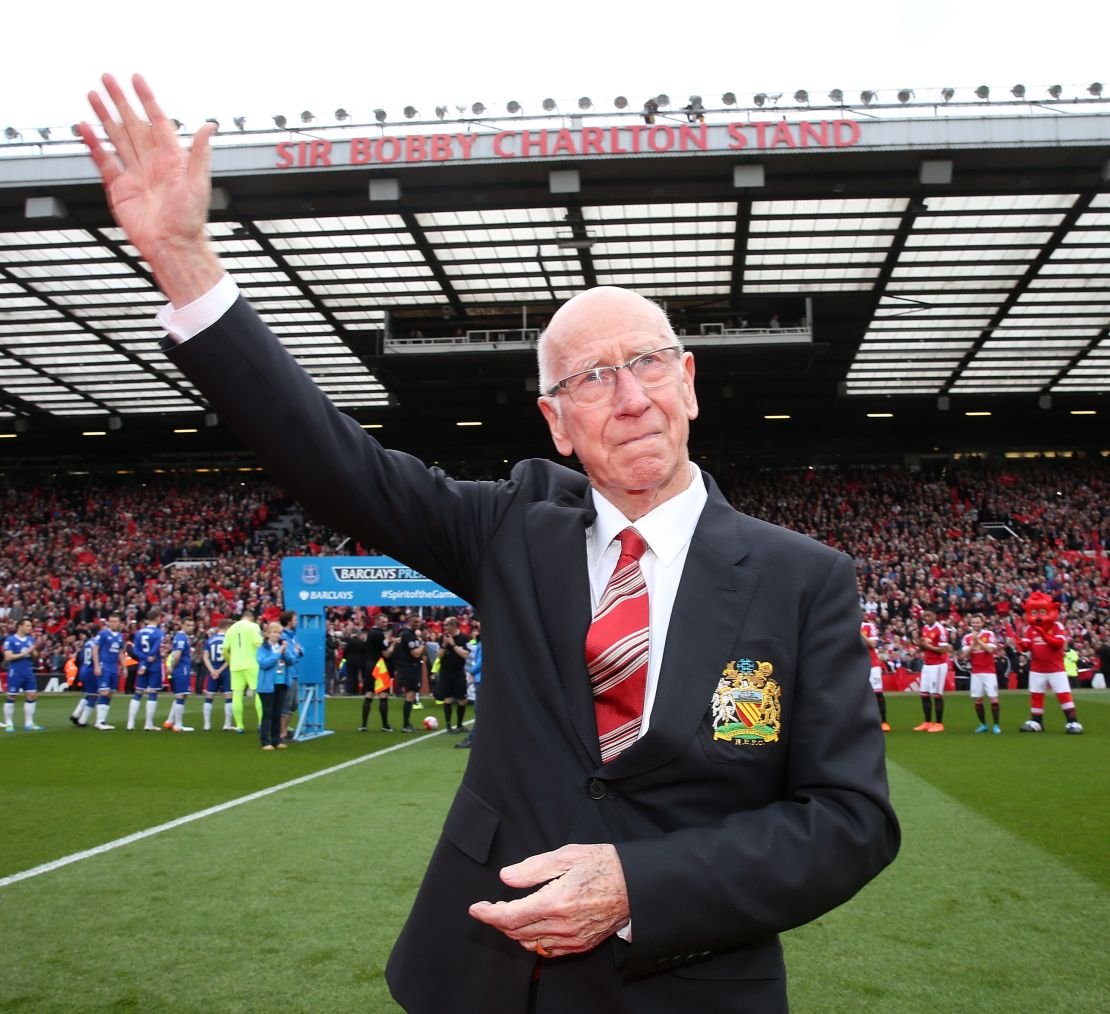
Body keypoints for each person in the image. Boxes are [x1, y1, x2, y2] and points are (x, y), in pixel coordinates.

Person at [81, 75, 899, 1012]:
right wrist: (186, 262)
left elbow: (848, 823)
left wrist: (643, 884)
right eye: (592, 379)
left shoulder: (805, 579)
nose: (629, 397)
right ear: (557, 423)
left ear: (689, 381)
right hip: (485, 981)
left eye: (646, 363)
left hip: (690, 984)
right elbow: (331, 460)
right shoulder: (512, 528)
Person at [1018, 592, 1083, 734]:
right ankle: (1037, 722)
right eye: (1035, 612)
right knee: (1036, 695)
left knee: (1063, 694)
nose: (1039, 616)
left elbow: (1058, 643)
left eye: (1042, 611)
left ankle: (1072, 722)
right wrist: (1021, 644)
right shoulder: (1030, 629)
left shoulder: (1057, 626)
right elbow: (1027, 645)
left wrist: (1043, 634)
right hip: (1037, 668)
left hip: (1056, 669)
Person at [223, 607, 263, 733]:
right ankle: (261, 723)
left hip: (236, 665)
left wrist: (230, 662)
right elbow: (258, 643)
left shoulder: (231, 629)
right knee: (259, 692)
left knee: (237, 694)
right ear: (251, 617)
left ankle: (240, 726)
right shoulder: (253, 627)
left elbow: (224, 649)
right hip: (252, 664)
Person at [960, 613, 1001, 734]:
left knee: (993, 698)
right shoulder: (966, 637)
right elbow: (964, 655)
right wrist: (973, 643)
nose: (975, 625)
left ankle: (996, 725)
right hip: (976, 672)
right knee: (978, 699)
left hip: (989, 672)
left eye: (978, 622)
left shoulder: (989, 634)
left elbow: (990, 650)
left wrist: (978, 640)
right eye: (973, 623)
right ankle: (983, 724)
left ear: (982, 623)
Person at [913, 608, 950, 732]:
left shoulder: (940, 629)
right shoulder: (925, 628)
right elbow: (926, 646)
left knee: (937, 694)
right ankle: (927, 722)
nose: (926, 618)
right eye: (924, 616)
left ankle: (939, 723)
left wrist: (928, 646)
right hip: (927, 664)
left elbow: (944, 650)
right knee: (924, 693)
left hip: (938, 665)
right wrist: (920, 646)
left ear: (935, 616)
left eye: (928, 616)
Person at [128, 606, 165, 731]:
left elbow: (135, 650)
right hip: (154, 666)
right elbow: (155, 649)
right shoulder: (159, 633)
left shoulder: (140, 632)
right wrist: (148, 660)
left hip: (142, 666)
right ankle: (148, 724)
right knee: (152, 693)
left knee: (138, 693)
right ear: (157, 618)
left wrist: (143, 661)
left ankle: (130, 723)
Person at [255, 621, 289, 751]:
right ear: (268, 634)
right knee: (268, 713)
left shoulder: (282, 647)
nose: (277, 635)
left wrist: (286, 652)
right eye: (274, 632)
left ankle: (277, 739)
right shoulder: (262, 648)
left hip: (280, 683)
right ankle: (265, 741)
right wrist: (279, 653)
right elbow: (264, 663)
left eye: (279, 633)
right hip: (267, 685)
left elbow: (292, 660)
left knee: (277, 713)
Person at [3, 618, 41, 731]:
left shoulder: (30, 639)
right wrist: (25, 652)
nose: (30, 628)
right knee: (11, 696)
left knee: (32, 695)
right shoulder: (10, 640)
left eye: (30, 626)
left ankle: (29, 723)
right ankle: (9, 723)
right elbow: (8, 657)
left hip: (28, 671)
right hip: (15, 671)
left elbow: (35, 655)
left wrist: (34, 648)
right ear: (20, 626)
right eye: (28, 625)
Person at [360, 612, 396, 732]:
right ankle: (385, 725)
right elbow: (386, 653)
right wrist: (393, 645)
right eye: (382, 622)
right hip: (379, 665)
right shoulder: (379, 634)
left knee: (369, 694)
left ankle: (363, 725)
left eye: (386, 622)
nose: (385, 624)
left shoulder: (371, 633)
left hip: (369, 665)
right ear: (376, 621)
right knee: (383, 695)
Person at [90, 611, 125, 730]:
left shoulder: (120, 636)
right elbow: (95, 649)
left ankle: (103, 721)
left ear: (119, 623)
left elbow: (120, 652)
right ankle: (99, 722)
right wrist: (96, 666)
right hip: (104, 666)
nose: (113, 623)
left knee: (110, 693)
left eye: (115, 621)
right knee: (104, 692)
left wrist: (124, 667)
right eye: (111, 621)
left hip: (114, 668)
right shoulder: (103, 634)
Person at [393, 613, 427, 733]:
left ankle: (407, 723)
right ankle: (405, 725)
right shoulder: (407, 635)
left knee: (411, 695)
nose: (418, 624)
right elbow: (416, 653)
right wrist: (423, 643)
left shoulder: (411, 634)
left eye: (419, 622)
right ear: (410, 621)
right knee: (410, 694)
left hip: (413, 667)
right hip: (410, 667)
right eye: (416, 622)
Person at [437, 616, 470, 733]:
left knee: (462, 700)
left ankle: (460, 724)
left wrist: (453, 644)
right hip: (445, 672)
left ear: (454, 626)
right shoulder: (442, 637)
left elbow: (465, 654)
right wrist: (445, 645)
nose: (445, 628)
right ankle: (448, 726)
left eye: (447, 625)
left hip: (458, 672)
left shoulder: (463, 638)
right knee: (447, 699)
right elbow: (439, 655)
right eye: (444, 625)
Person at [162, 617, 196, 732]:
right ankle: (178, 725)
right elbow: (177, 655)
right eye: (188, 625)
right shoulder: (181, 637)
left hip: (181, 669)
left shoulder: (181, 637)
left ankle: (169, 721)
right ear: (182, 625)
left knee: (181, 695)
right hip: (182, 669)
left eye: (192, 625)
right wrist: (172, 667)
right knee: (181, 696)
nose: (191, 627)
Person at [202, 618, 234, 731]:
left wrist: (212, 670)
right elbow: (230, 657)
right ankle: (227, 724)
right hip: (225, 670)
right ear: (226, 627)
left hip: (213, 669)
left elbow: (205, 657)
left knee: (209, 696)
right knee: (228, 696)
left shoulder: (210, 640)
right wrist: (220, 671)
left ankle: (206, 724)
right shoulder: (229, 639)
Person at [859, 613, 890, 731]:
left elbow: (872, 643)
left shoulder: (868, 627)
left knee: (877, 693)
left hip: (872, 664)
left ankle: (884, 722)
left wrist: (860, 634)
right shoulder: (847, 628)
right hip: (857, 665)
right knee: (859, 695)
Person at [456, 620, 482, 749]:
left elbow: (482, 660)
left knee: (480, 711)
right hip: (483, 679)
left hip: (481, 680)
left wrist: (472, 671)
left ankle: (473, 739)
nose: (476, 628)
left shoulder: (485, 642)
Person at [278, 610, 303, 742]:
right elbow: (290, 656)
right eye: (295, 619)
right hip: (287, 673)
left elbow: (300, 650)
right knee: (287, 704)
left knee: (294, 704)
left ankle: (284, 730)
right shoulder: (284, 636)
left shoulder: (293, 635)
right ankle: (282, 733)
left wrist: (297, 652)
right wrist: (297, 652)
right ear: (289, 621)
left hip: (294, 673)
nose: (297, 622)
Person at [69, 629, 99, 727]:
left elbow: (80, 658)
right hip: (91, 671)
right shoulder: (97, 643)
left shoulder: (87, 643)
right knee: (94, 696)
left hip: (84, 670)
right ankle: (83, 720)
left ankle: (75, 714)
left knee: (88, 694)